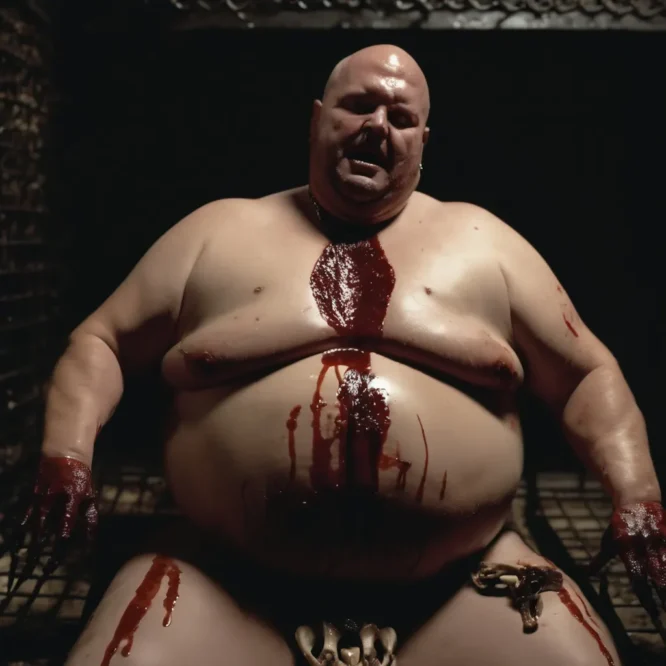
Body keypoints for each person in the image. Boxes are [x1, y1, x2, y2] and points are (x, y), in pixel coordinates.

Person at [9, 44, 665, 666]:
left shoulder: (487, 245)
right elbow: (103, 342)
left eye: (401, 118)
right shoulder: (216, 233)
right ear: (318, 119)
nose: (378, 126)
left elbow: (585, 376)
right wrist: (67, 456)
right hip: (223, 580)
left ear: (423, 141)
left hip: (462, 587)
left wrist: (637, 494)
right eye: (358, 106)